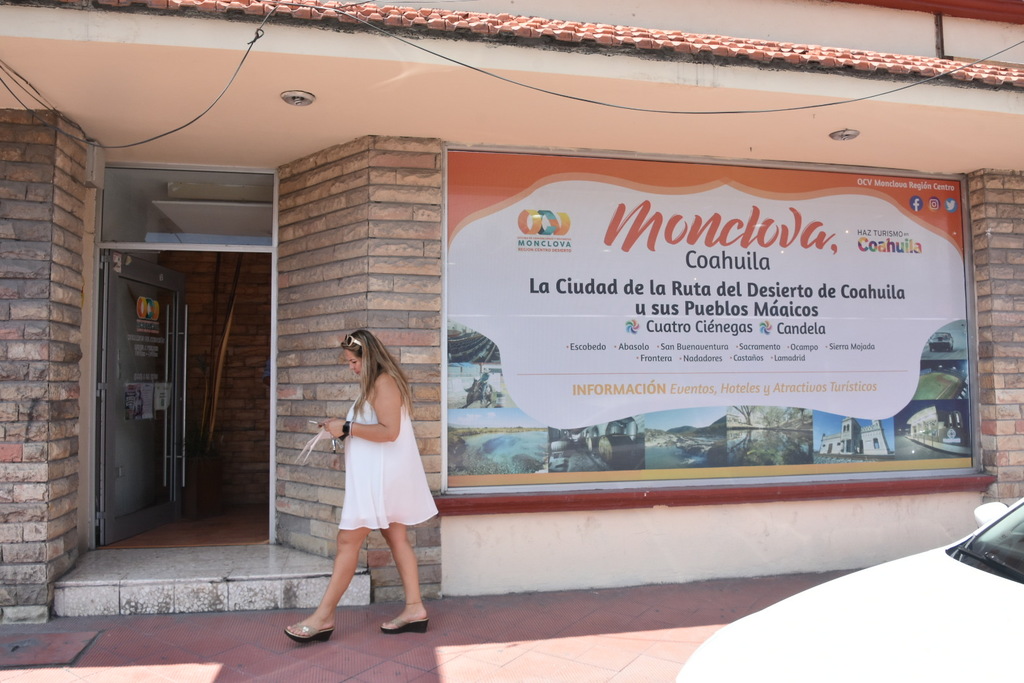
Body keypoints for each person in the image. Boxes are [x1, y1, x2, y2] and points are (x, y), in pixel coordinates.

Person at [285, 329, 438, 643]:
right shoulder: (375, 384)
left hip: (379, 481)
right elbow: (372, 428)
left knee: (347, 541)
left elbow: (389, 432)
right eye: (349, 362)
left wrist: (346, 426)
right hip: (378, 477)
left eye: (354, 361)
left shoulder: (384, 382)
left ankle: (323, 617)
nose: (351, 367)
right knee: (396, 537)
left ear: (369, 358)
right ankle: (415, 609)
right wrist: (341, 429)